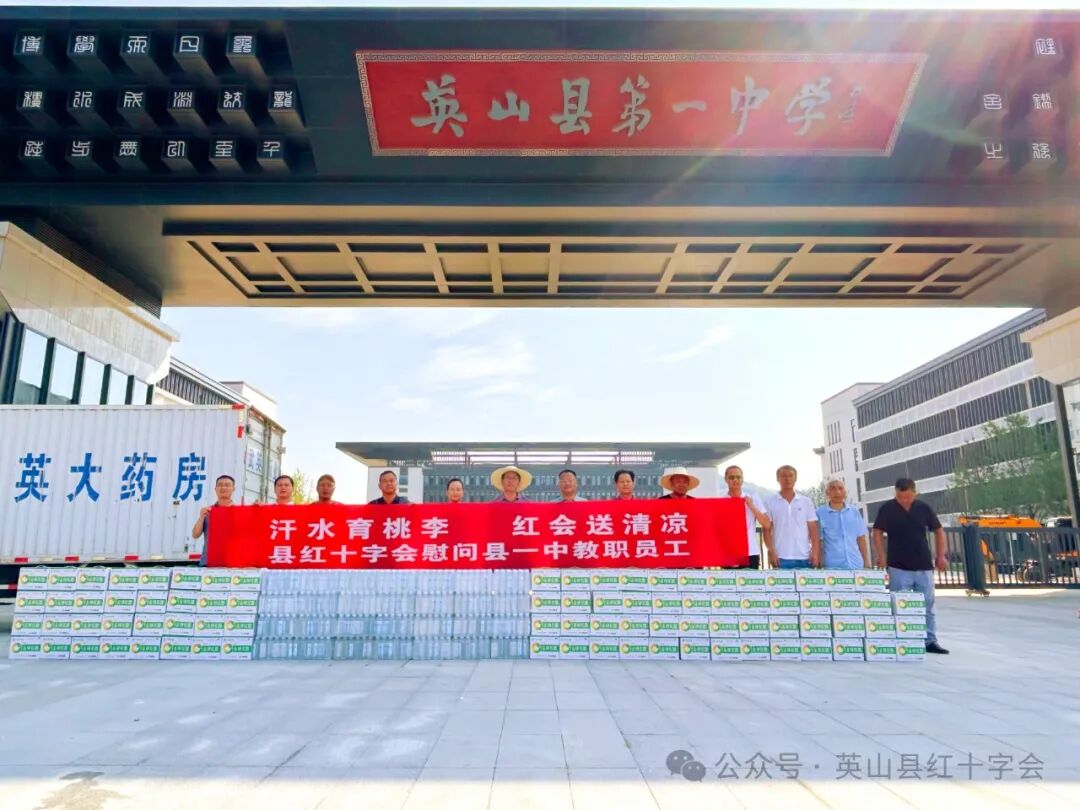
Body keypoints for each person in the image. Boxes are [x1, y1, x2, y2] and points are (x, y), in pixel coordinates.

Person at [872, 478, 949, 655]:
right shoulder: (887, 509)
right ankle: (903, 639)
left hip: (923, 565)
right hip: (898, 566)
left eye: (907, 497)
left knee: (927, 605)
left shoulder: (923, 508)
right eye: (900, 497)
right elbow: (876, 532)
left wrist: (941, 555)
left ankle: (930, 640)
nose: (903, 500)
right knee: (899, 605)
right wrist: (881, 555)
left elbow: (939, 531)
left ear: (915, 493)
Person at [763, 465, 821, 569]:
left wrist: (815, 553)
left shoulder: (806, 502)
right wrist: (771, 551)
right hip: (780, 558)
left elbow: (813, 530)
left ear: (795, 478)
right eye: (784, 476)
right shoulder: (769, 501)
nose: (788, 479)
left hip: (805, 557)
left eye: (791, 476)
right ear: (778, 479)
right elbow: (766, 529)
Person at [720, 465, 771, 569]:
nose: (735, 480)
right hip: (728, 553)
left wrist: (752, 506)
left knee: (751, 580)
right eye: (731, 477)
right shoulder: (721, 500)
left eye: (738, 477)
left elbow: (767, 524)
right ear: (726, 479)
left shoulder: (753, 498)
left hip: (750, 552)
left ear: (742, 479)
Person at [816, 479, 871, 569]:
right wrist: (818, 563)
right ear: (827, 493)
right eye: (833, 488)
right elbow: (818, 541)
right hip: (833, 567)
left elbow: (861, 538)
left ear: (845, 492)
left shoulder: (854, 511)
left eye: (840, 488)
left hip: (856, 564)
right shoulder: (820, 513)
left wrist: (866, 561)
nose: (837, 492)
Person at [191, 474, 235, 567]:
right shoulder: (208, 511)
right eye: (220, 485)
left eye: (227, 485)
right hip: (209, 561)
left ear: (233, 489)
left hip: (232, 562)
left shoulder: (240, 512)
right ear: (215, 489)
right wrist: (201, 517)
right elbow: (195, 535)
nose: (223, 487)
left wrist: (258, 511)